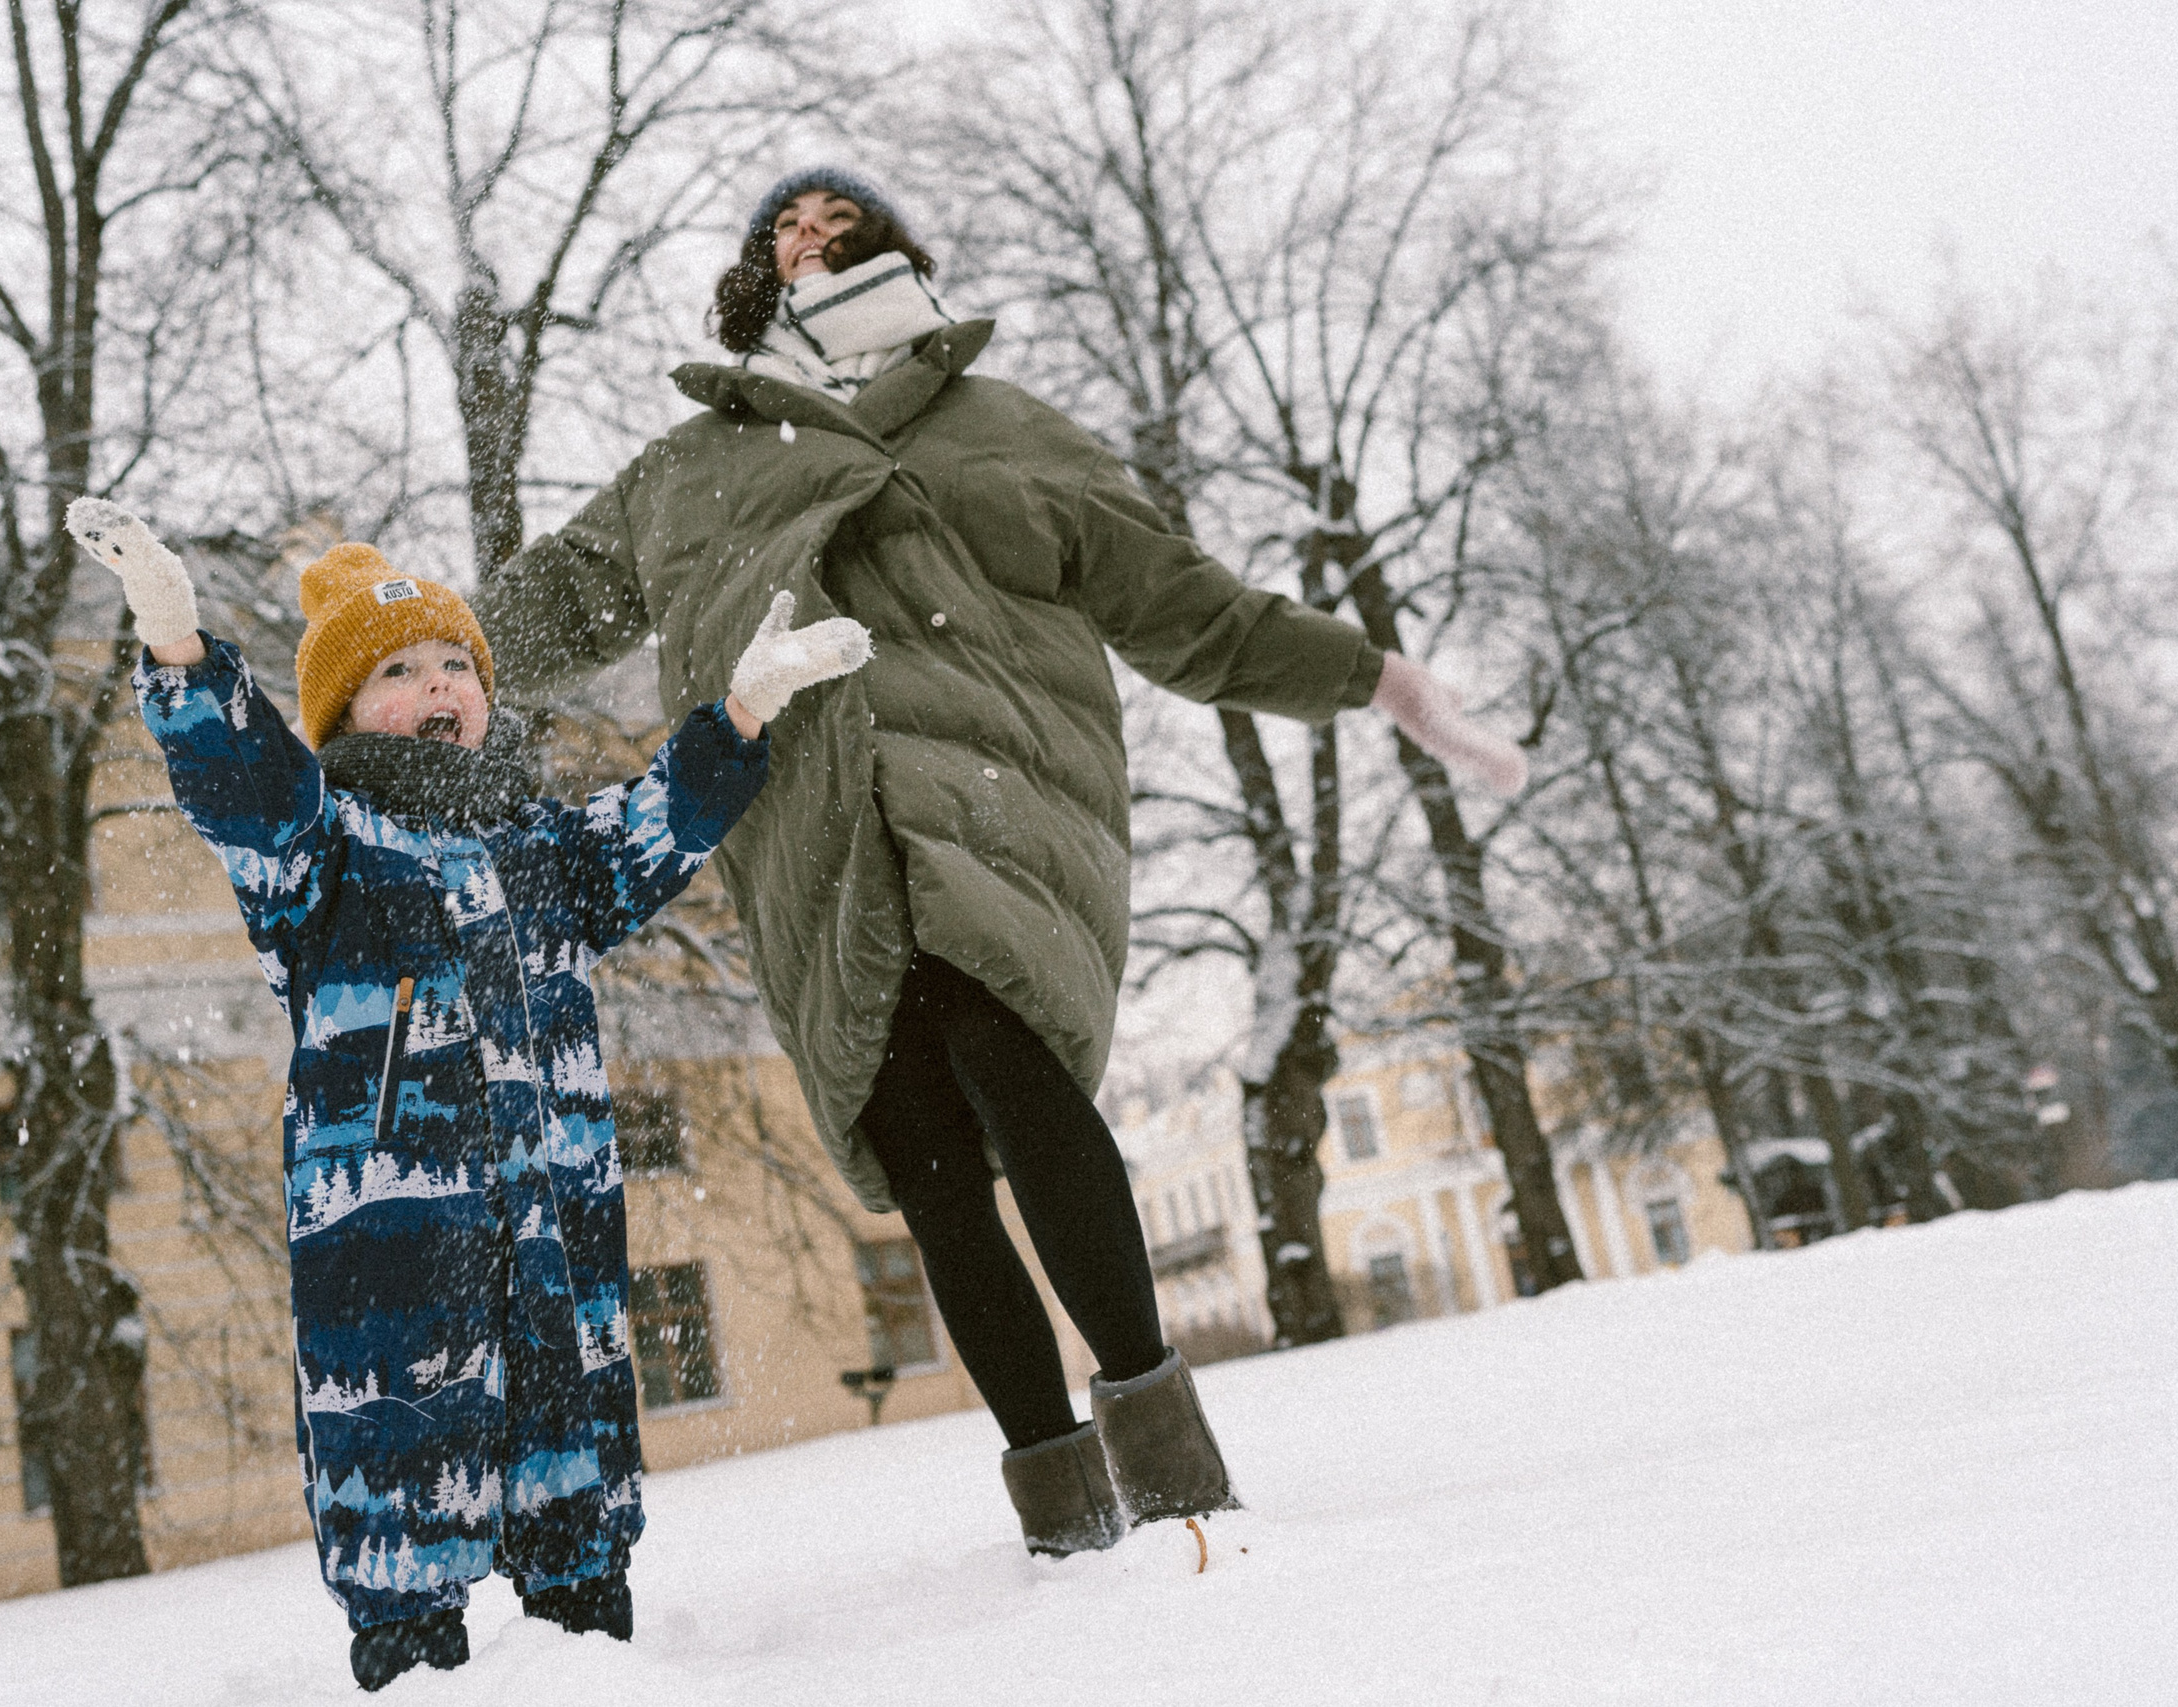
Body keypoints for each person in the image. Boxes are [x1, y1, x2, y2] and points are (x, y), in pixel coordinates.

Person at [476, 169, 1527, 1558]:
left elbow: (1185, 608)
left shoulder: (1000, 425)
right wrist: (387, 656)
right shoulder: (690, 469)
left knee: (1014, 1073)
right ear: (756, 272)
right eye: (786, 225)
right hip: (812, 847)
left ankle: (1174, 1474)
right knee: (924, 1157)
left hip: (996, 802)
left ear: (895, 250)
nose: (811, 234)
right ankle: (1062, 1508)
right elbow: (531, 617)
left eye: (840, 220)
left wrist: (1376, 678)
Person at [65, 498, 869, 1689]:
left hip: (556, 1244)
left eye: (454, 662)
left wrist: (742, 711)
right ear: (344, 710)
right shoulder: (320, 851)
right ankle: (409, 1653)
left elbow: (656, 825)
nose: (436, 682)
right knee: (404, 1517)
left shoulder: (543, 849)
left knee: (576, 1521)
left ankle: (592, 1644)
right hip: (393, 1267)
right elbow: (245, 786)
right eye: (397, 671)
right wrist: (183, 653)